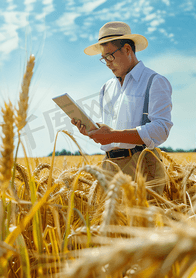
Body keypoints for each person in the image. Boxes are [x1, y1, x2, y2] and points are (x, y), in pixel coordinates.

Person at [72, 21, 172, 195]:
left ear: (127, 49)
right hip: (109, 166)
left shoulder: (155, 81)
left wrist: (112, 135)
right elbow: (110, 128)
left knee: (141, 221)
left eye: (110, 56)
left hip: (142, 164)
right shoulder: (106, 88)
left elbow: (161, 130)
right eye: (103, 59)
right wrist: (92, 130)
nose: (108, 63)